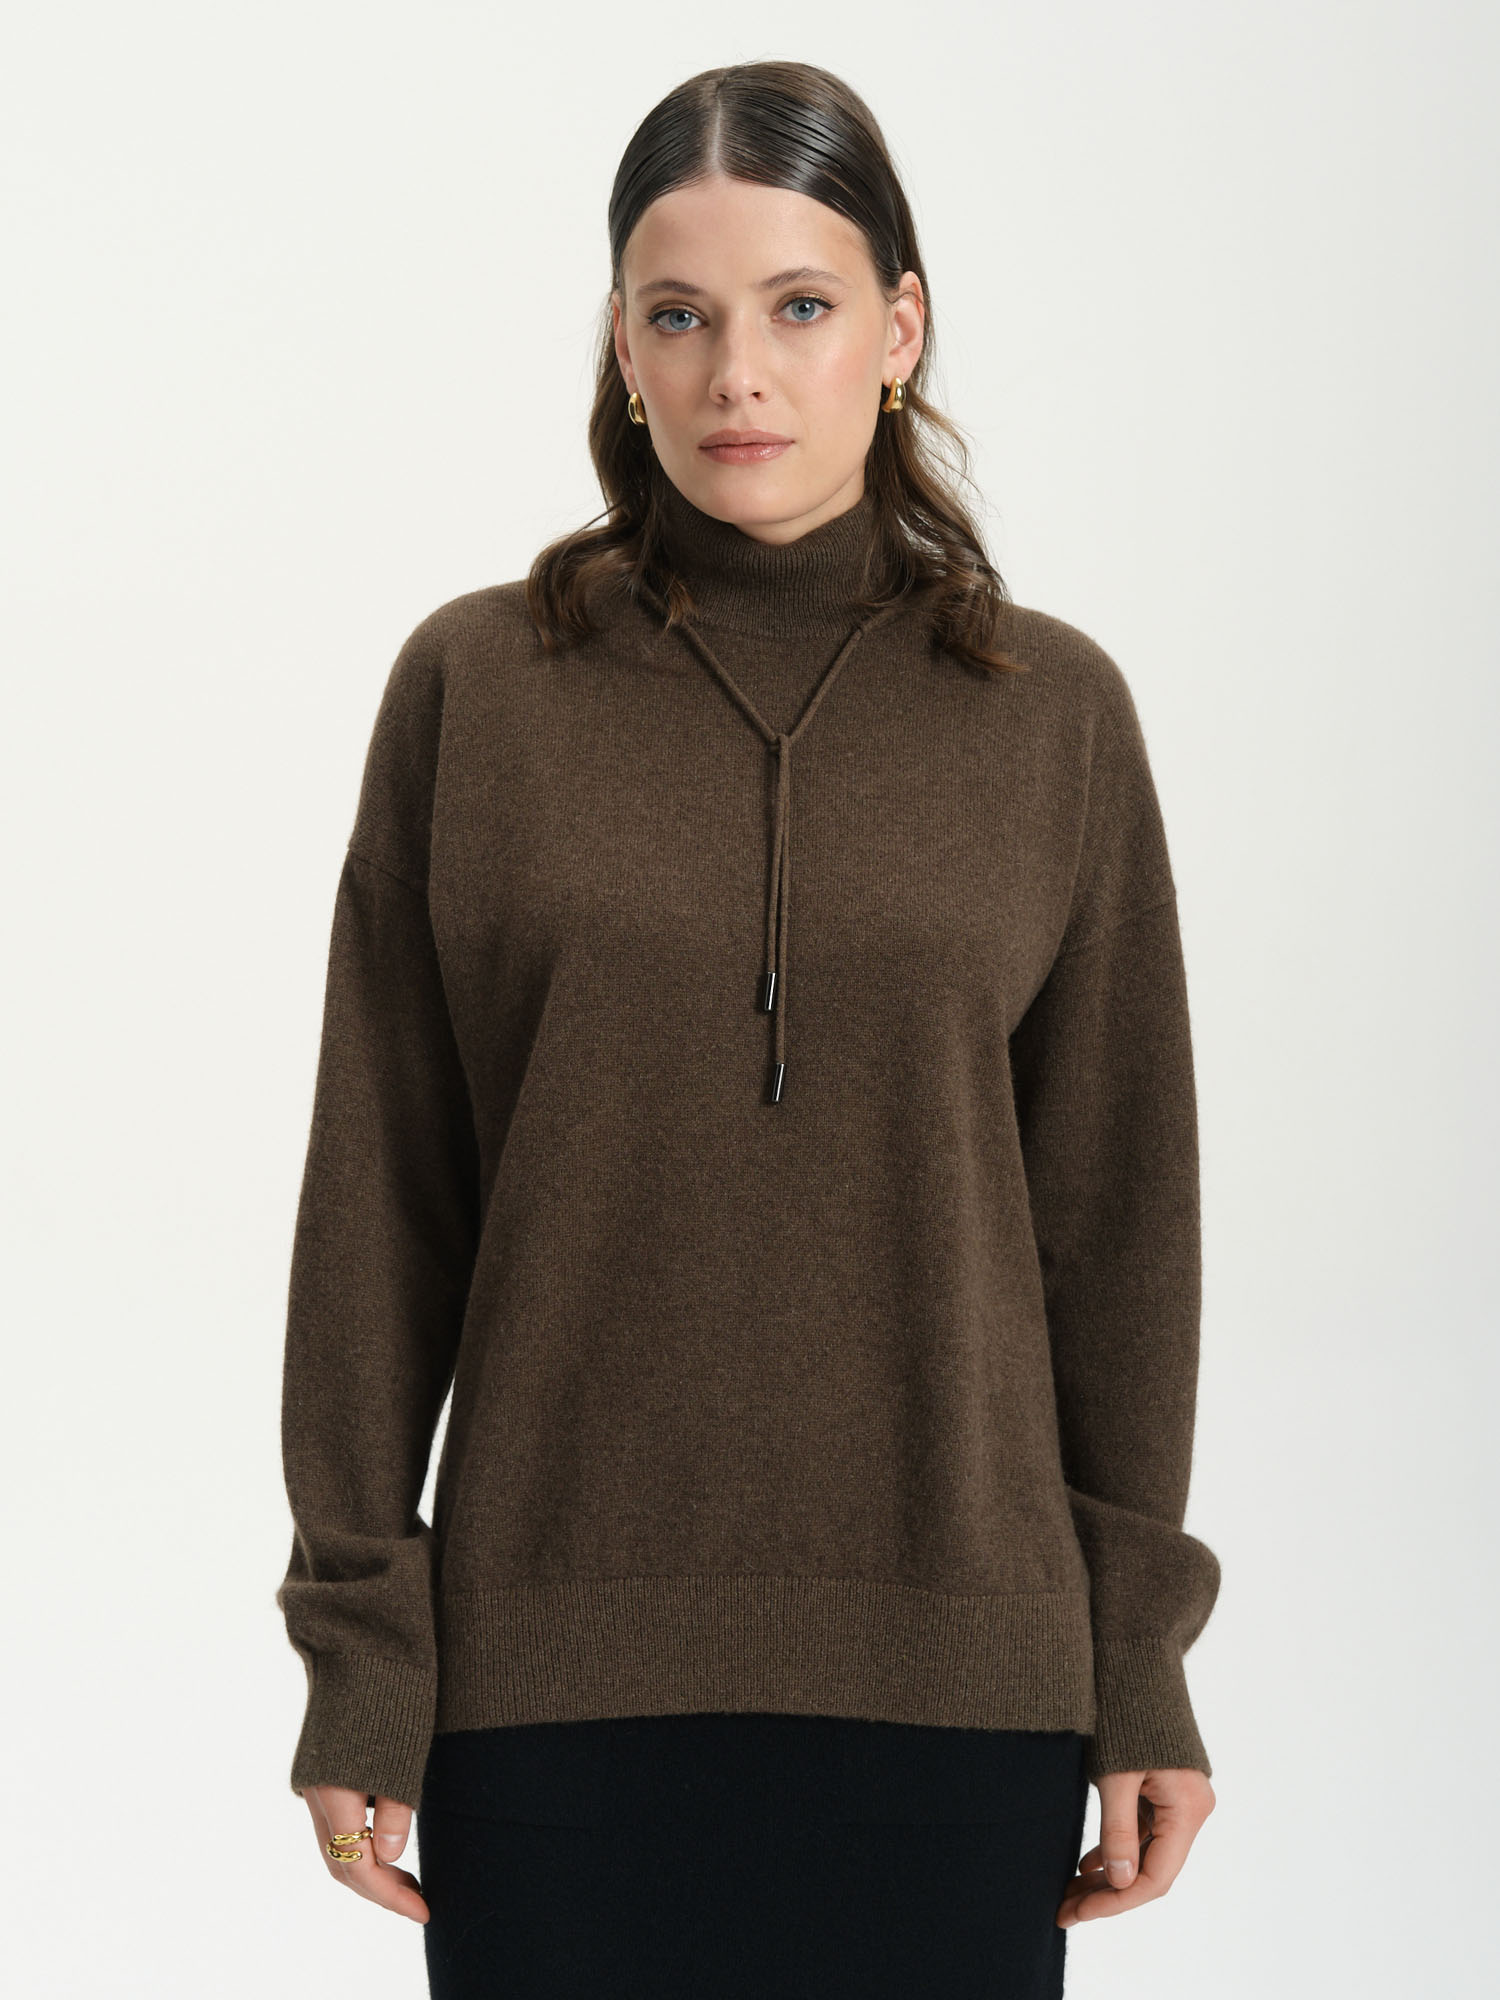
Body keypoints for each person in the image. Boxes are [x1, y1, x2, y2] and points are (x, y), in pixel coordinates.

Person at [274, 58, 1221, 2000]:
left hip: (960, 1693)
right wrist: (362, 1651)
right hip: (546, 1692)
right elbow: (384, 1202)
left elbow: (1119, 1228)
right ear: (622, 347)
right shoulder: (477, 689)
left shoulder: (1051, 713)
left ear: (901, 326)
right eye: (680, 314)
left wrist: (1140, 1660)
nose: (740, 376)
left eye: (799, 306)